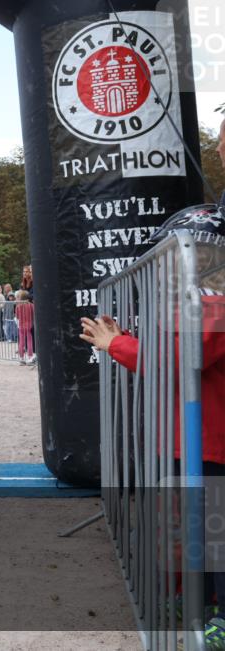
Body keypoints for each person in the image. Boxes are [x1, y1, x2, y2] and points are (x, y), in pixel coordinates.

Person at [81, 199, 225, 647]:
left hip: (210, 442)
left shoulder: (217, 304)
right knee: (191, 529)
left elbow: (180, 358)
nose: (178, 265)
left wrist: (118, 344)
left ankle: (216, 614)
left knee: (214, 534)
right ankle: (196, 600)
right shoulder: (202, 301)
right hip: (189, 438)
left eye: (187, 254)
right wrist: (123, 338)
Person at [15, 290, 35, 364]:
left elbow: (17, 316)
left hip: (21, 325)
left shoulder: (18, 306)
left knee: (21, 342)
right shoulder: (31, 305)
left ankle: (21, 358)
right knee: (29, 341)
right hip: (29, 325)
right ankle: (30, 356)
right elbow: (34, 314)